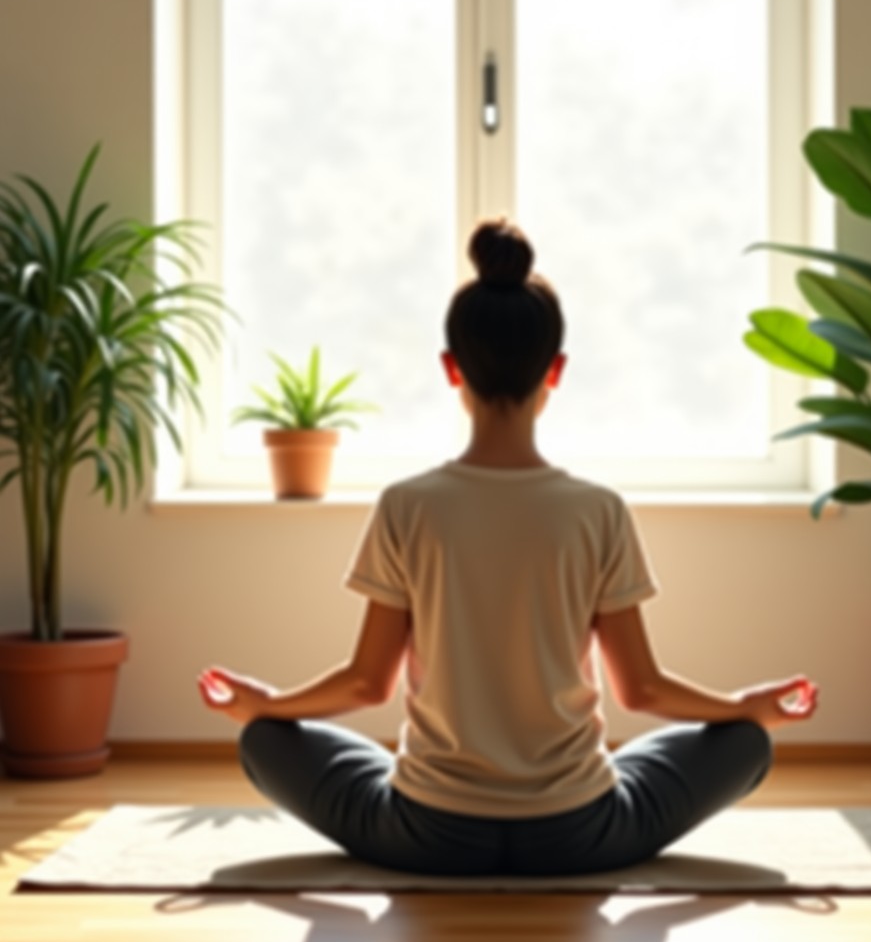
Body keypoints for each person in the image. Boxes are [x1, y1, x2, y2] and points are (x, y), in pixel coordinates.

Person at [198, 219, 819, 876]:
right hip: (580, 833)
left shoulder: (407, 505)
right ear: (556, 370)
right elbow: (640, 689)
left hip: (427, 833)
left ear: (450, 368)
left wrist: (265, 703)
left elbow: (366, 681)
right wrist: (742, 707)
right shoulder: (598, 510)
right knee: (744, 744)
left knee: (265, 741)